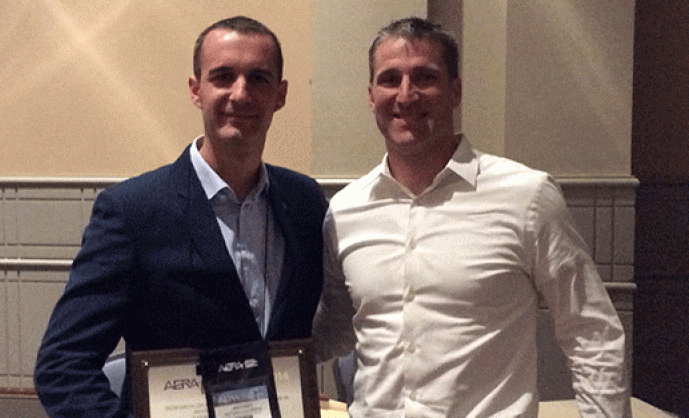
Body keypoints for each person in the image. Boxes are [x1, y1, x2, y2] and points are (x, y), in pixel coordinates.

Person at [313, 17, 631, 417]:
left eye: (425, 77)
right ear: (371, 96)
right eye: (390, 79)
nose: (406, 95)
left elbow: (592, 334)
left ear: (456, 91)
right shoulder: (345, 210)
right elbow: (336, 331)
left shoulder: (527, 197)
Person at [34, 16, 327, 418]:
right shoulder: (132, 211)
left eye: (258, 78)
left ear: (280, 94)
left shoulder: (305, 202)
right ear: (196, 90)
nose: (240, 93)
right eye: (223, 77)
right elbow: (62, 366)